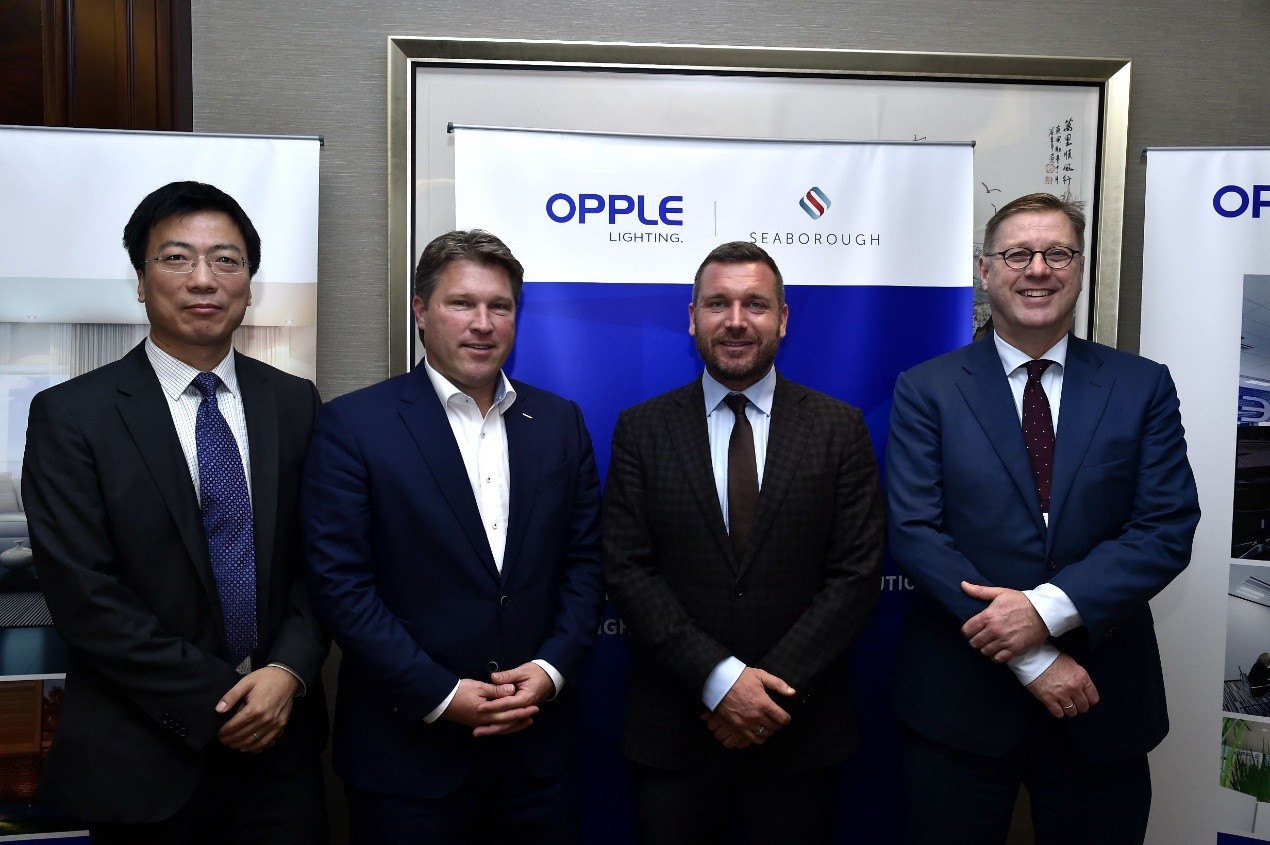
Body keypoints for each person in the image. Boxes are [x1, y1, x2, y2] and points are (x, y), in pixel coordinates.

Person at [887, 192, 1200, 844]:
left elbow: (1166, 526)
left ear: (1079, 268)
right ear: (984, 270)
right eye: (1017, 254)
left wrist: (1046, 610)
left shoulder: (1141, 386)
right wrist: (1029, 653)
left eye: (1058, 253)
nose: (1037, 269)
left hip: (1101, 700)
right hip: (959, 707)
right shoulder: (927, 388)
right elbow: (915, 531)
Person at [22, 181, 329, 843]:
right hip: (142, 757)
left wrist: (287, 672)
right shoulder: (72, 415)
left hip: (282, 752)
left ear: (249, 284)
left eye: (226, 260)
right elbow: (83, 593)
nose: (203, 279)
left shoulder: (295, 402)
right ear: (140, 281)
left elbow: (323, 560)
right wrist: (219, 699)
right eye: (176, 258)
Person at [301, 229, 604, 844]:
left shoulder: (560, 422)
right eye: (461, 303)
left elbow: (586, 564)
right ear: (421, 310)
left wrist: (549, 671)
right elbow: (340, 585)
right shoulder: (354, 425)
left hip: (538, 759)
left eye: (500, 306)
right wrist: (439, 693)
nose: (482, 324)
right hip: (408, 760)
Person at [603, 241, 885, 844]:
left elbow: (856, 574)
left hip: (798, 725)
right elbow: (627, 569)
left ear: (783, 319)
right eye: (718, 304)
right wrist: (719, 680)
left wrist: (764, 691)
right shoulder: (642, 429)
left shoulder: (838, 428)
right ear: (692, 318)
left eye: (755, 304)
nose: (735, 321)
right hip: (676, 727)